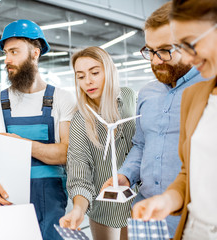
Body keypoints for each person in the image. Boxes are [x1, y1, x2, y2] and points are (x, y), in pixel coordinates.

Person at [101, 2, 207, 238]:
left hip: (190, 220)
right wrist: (126, 174)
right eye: (150, 50)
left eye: (165, 50)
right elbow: (141, 144)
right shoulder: (147, 93)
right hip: (144, 214)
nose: (156, 60)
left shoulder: (207, 89)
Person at [0, 19, 75, 240]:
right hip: (9, 198)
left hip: (51, 202)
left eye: (14, 52)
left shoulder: (60, 99)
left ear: (35, 53)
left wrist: (19, 145)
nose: (7, 59)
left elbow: (66, 153)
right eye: (6, 52)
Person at [132, 0, 217, 239]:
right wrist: (168, 200)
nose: (188, 59)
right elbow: (189, 172)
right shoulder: (196, 96)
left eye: (189, 43)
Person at [59, 46, 137, 240]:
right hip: (105, 210)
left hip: (138, 202)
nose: (88, 81)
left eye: (94, 72)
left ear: (108, 71)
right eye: (81, 76)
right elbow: (79, 170)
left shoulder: (128, 96)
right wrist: (78, 209)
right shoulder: (80, 120)